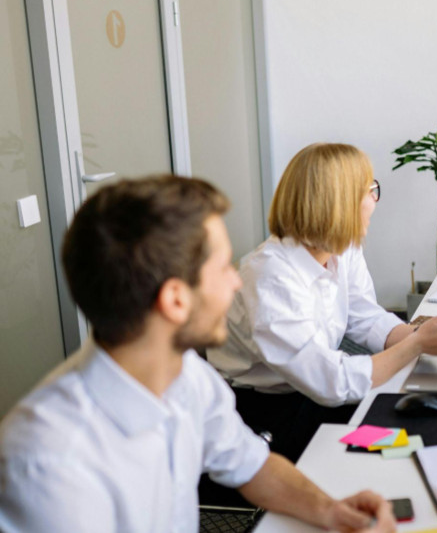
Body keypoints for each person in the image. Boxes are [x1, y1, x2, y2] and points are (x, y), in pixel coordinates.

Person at [0, 176, 395, 532]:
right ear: (175, 300)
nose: (236, 281)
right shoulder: (49, 462)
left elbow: (253, 465)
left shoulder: (189, 375)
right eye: (223, 267)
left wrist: (330, 511)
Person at [207, 143, 437, 461]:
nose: (375, 200)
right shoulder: (270, 277)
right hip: (264, 414)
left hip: (312, 392)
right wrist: (417, 345)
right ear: (337, 202)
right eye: (369, 190)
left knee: (434, 425)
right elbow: (331, 383)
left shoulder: (341, 248)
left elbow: (365, 317)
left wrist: (427, 335)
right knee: (400, 447)